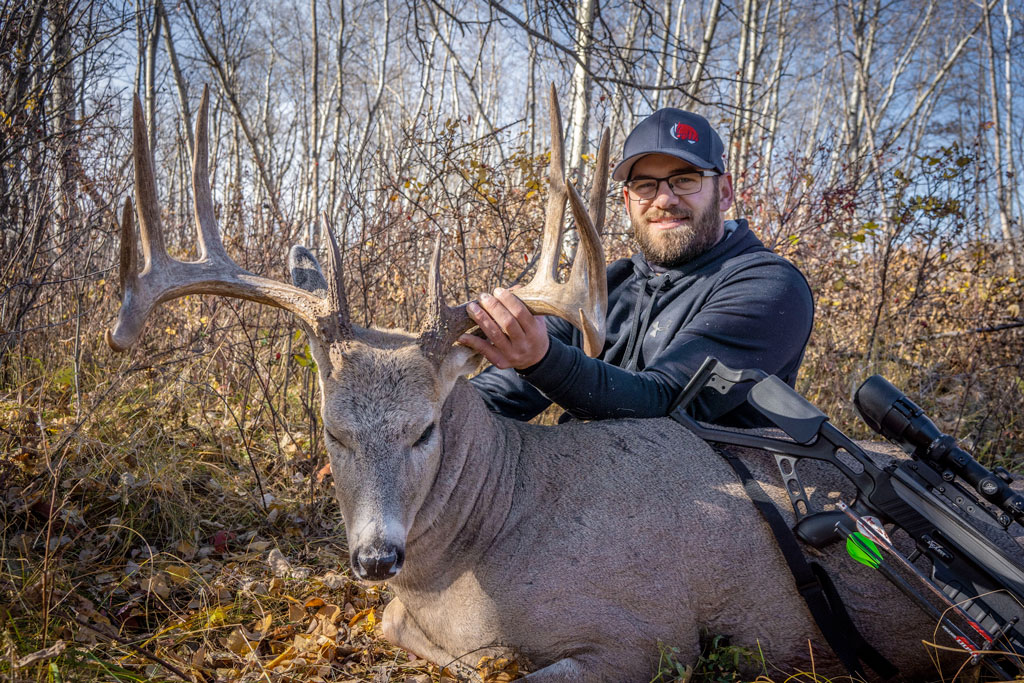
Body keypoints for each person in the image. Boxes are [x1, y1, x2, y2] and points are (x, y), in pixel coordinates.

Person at [460, 108, 814, 427]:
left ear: (724, 192)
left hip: (710, 491)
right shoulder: (611, 284)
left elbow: (665, 402)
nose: (664, 199)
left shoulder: (768, 286)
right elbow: (504, 392)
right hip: (597, 482)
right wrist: (435, 404)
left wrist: (541, 360)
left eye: (685, 179)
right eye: (645, 185)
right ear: (628, 201)